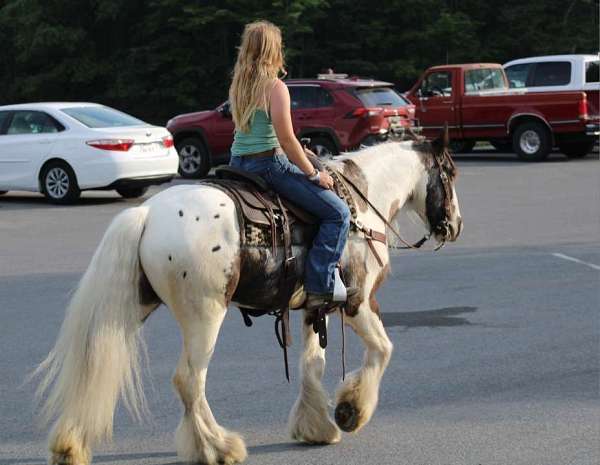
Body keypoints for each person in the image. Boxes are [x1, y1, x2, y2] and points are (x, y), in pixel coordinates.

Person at [228, 20, 355, 310]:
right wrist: (314, 173)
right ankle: (320, 285)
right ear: (274, 50)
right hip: (268, 166)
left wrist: (300, 150)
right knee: (338, 213)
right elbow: (285, 140)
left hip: (237, 165)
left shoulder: (238, 84)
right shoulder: (275, 87)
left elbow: (263, 133)